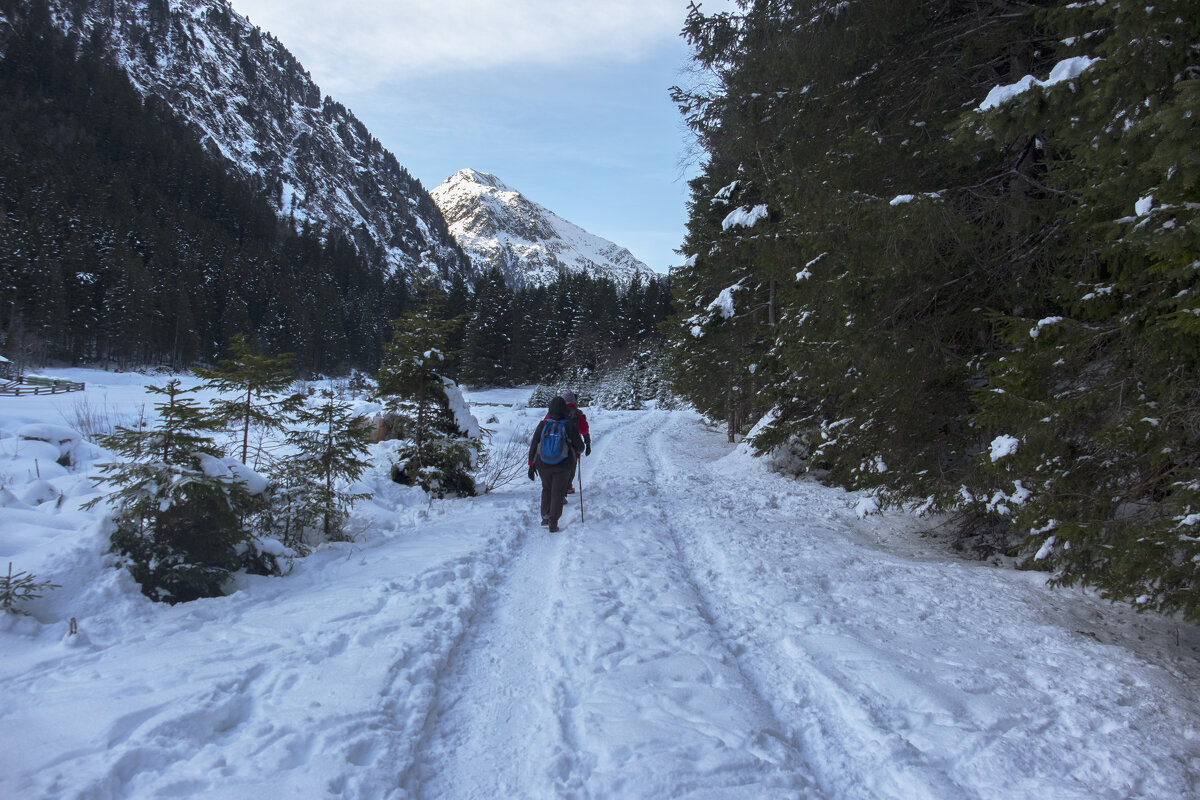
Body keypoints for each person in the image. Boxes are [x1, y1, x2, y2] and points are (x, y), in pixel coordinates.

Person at [528, 395, 584, 532]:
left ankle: (545, 517)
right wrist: (578, 450)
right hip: (563, 465)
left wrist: (531, 465)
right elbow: (580, 446)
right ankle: (553, 522)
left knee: (546, 488)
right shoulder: (568, 424)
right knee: (558, 492)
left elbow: (534, 445)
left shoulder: (543, 424)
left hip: (543, 463)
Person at [559, 389, 590, 494]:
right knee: (571, 467)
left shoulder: (555, 411)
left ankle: (557, 489)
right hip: (572, 445)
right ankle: (567, 487)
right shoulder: (577, 413)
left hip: (556, 444)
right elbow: (584, 430)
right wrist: (587, 443)